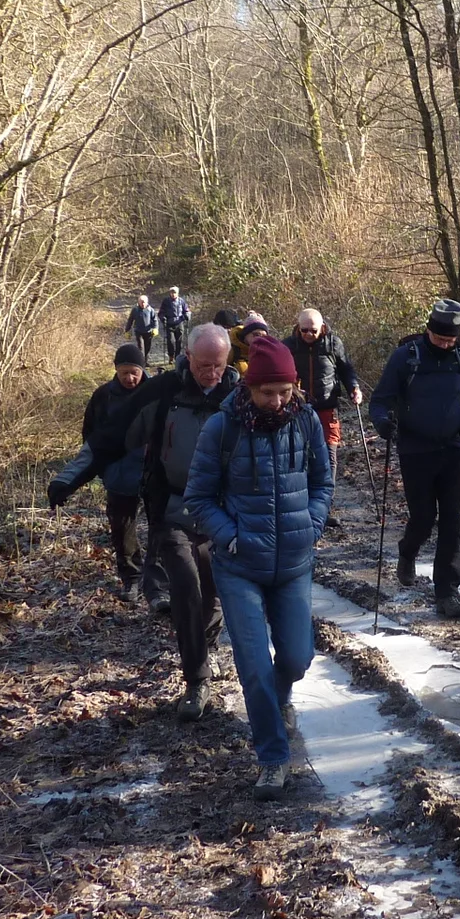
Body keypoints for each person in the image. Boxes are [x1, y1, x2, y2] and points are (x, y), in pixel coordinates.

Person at [186, 335, 332, 801]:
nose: (277, 401)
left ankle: (281, 695)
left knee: (296, 659)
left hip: (293, 562)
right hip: (239, 566)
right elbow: (198, 499)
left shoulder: (306, 421)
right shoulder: (221, 428)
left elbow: (323, 482)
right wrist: (230, 537)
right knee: (253, 666)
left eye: (285, 391)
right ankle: (273, 759)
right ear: (249, 388)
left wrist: (311, 525)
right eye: (268, 392)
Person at [89, 323, 240, 719]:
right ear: (188, 357)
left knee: (213, 588)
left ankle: (205, 646)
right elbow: (111, 434)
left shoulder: (238, 397)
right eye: (204, 365)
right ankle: (197, 680)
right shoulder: (164, 392)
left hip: (222, 511)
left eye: (218, 366)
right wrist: (72, 476)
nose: (211, 373)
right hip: (171, 506)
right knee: (187, 587)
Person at [368, 298, 460, 618]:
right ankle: (407, 551)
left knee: (452, 521)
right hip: (415, 449)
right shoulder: (406, 358)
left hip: (453, 449)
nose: (444, 343)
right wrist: (384, 423)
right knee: (424, 517)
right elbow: (380, 400)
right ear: (428, 330)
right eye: (439, 338)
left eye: (450, 339)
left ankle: (447, 591)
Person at [48, 344, 168, 607]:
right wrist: (97, 471)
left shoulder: (158, 392)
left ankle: (158, 584)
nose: (130, 378)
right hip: (119, 475)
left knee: (161, 528)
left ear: (143, 370)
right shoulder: (102, 396)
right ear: (115, 370)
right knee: (122, 528)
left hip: (154, 474)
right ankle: (132, 578)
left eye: (134, 372)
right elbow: (91, 437)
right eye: (124, 372)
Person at [282, 308, 361, 517]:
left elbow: (346, 369)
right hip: (298, 408)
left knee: (329, 454)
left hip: (327, 406)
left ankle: (325, 505)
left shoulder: (334, 343)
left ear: (322, 328)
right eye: (304, 330)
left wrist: (354, 388)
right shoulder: (288, 346)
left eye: (313, 331)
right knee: (298, 455)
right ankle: (301, 502)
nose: (308, 334)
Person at [158, 286, 190, 364]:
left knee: (179, 341)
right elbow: (161, 312)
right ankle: (171, 357)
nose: (173, 294)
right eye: (171, 292)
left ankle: (177, 357)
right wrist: (163, 318)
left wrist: (187, 315)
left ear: (177, 293)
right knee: (171, 341)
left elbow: (186, 310)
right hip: (169, 324)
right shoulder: (166, 301)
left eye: (174, 292)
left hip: (179, 323)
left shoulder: (181, 301)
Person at [125, 295, 157, 363]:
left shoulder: (150, 310)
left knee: (147, 347)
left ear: (147, 302)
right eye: (141, 302)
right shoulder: (135, 310)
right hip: (139, 331)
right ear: (138, 302)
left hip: (148, 331)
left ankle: (145, 361)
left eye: (144, 302)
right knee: (141, 347)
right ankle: (141, 362)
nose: (143, 304)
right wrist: (127, 330)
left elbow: (154, 319)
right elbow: (130, 320)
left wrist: (155, 328)